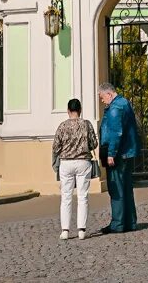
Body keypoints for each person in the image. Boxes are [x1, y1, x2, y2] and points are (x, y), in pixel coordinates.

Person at [50, 96, 99, 241]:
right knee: (83, 196)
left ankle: (65, 230)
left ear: (68, 110)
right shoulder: (86, 124)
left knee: (66, 196)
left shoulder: (62, 126)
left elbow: (55, 147)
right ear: (80, 110)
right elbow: (94, 143)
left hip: (66, 163)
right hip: (83, 162)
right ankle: (81, 230)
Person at [95, 82, 141, 235]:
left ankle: (118, 223)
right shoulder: (125, 103)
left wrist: (111, 153)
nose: (102, 101)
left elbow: (116, 132)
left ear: (109, 94)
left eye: (102, 98)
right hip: (127, 152)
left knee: (116, 188)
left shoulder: (115, 108)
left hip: (118, 154)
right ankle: (130, 221)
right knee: (127, 187)